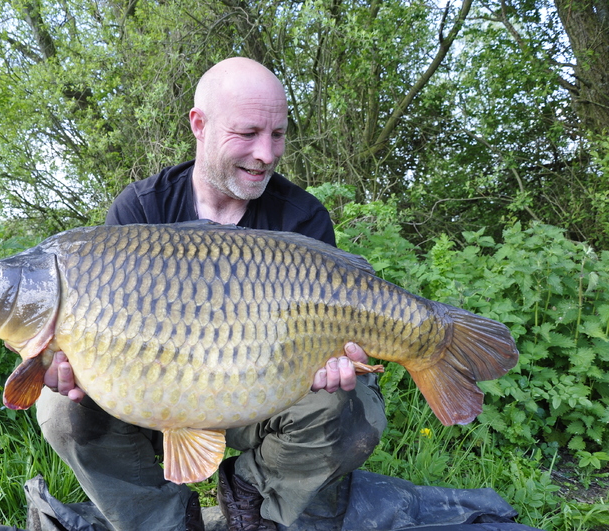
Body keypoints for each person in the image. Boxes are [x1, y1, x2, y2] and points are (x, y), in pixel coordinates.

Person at [35, 57, 387, 531]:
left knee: (349, 405)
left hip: (261, 389)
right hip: (153, 390)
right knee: (61, 407)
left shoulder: (302, 219)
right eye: (247, 134)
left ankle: (254, 496)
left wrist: (334, 363)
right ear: (199, 125)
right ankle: (163, 522)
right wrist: (68, 360)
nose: (267, 153)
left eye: (278, 135)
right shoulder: (141, 209)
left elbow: (334, 336)